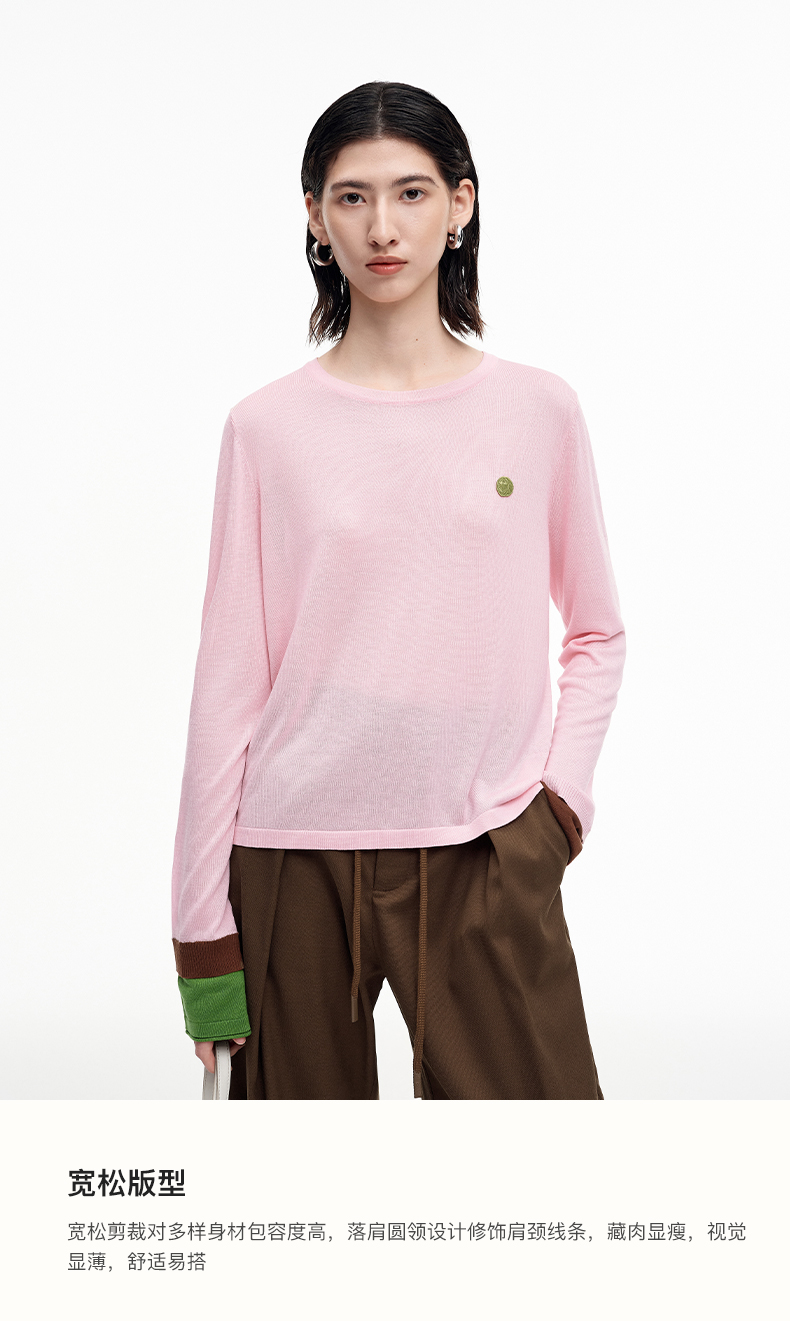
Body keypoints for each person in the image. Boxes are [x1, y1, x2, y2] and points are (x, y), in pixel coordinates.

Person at [170, 80, 626, 1100]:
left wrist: (556, 811)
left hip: (483, 846)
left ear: (461, 203)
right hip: (290, 856)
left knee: (553, 1169)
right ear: (315, 216)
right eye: (352, 197)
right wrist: (201, 934)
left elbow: (597, 630)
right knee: (295, 1183)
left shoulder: (538, 410)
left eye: (412, 193)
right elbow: (228, 682)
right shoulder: (265, 428)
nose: (383, 227)